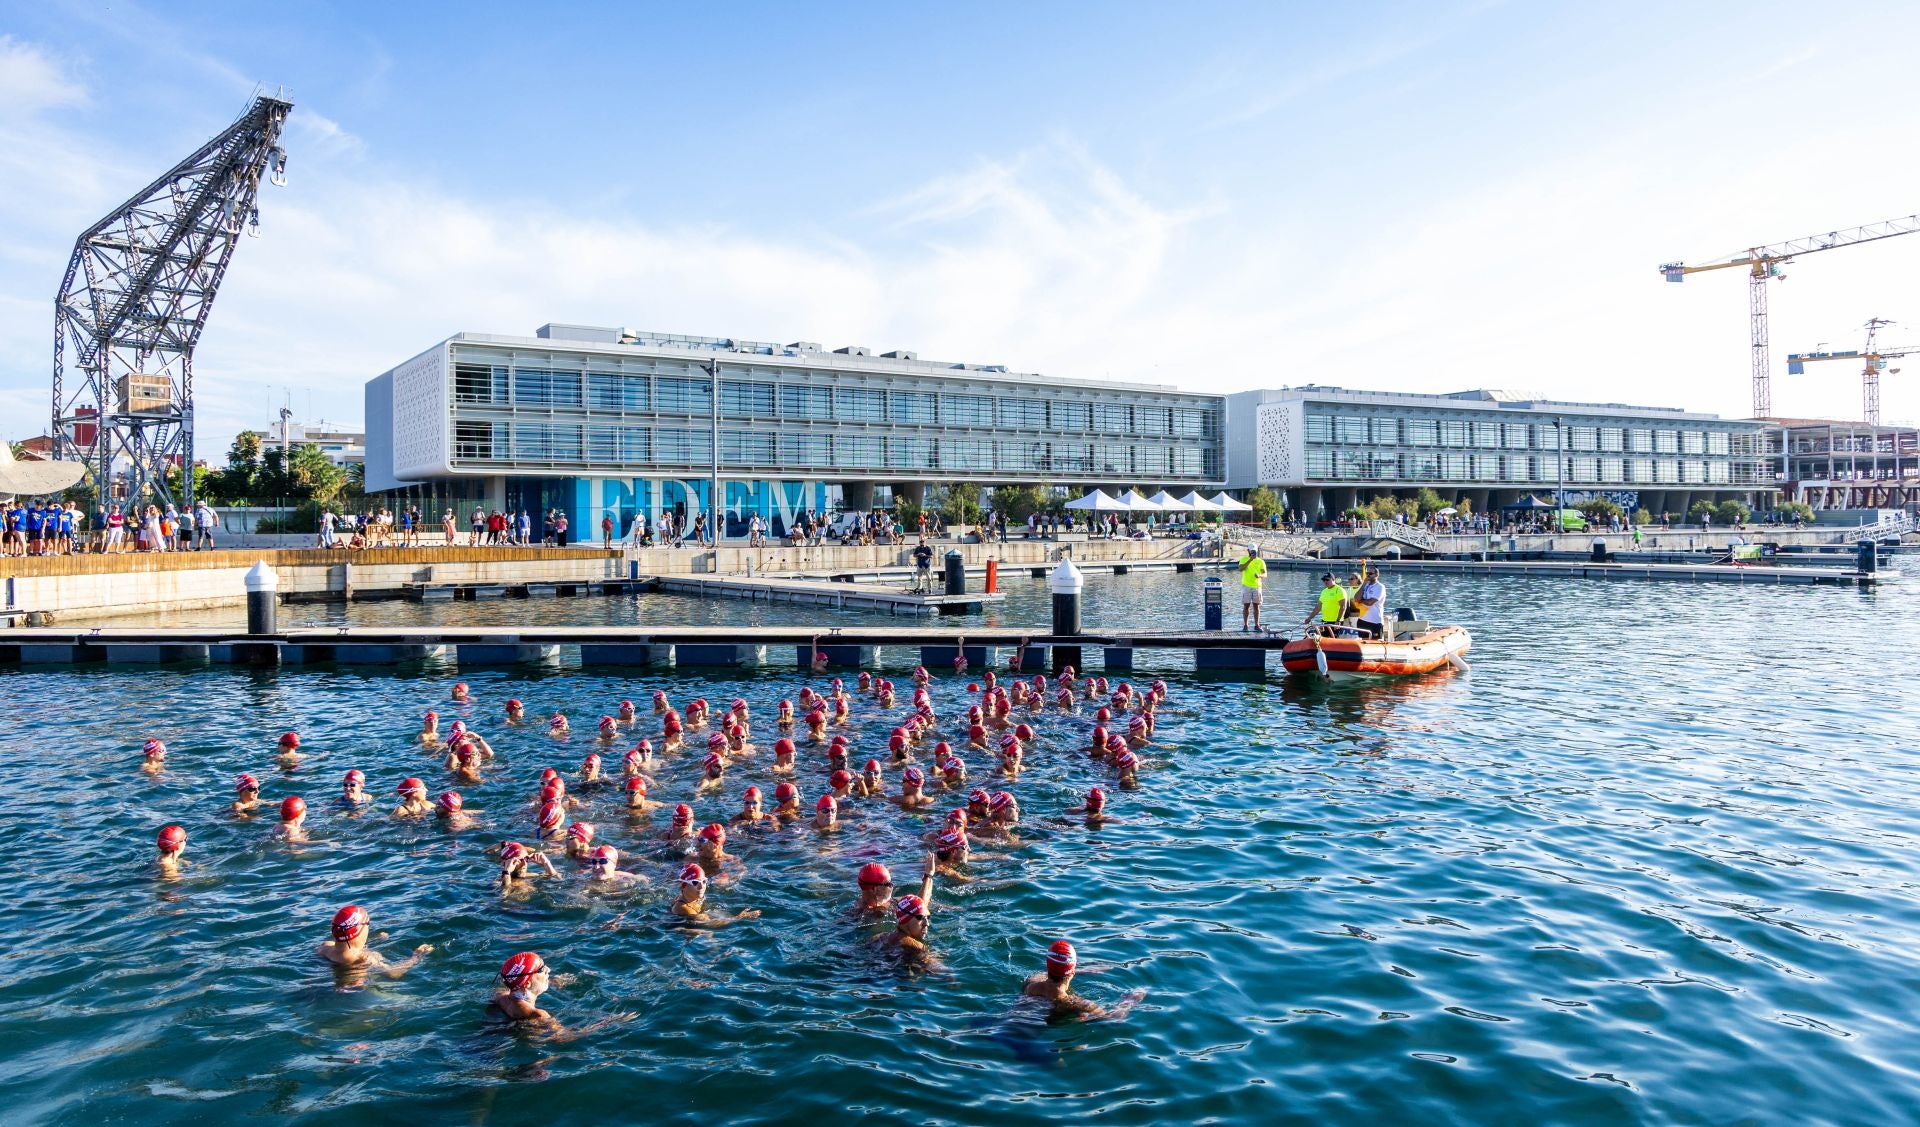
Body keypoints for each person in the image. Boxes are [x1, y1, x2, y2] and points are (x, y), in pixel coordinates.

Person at [1021, 940, 1144, 1019]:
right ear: (1072, 970)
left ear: (1048, 965)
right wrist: (1130, 1001)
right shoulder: (1072, 1002)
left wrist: (1080, 971)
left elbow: (1049, 972)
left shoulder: (1031, 983)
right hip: (1029, 1041)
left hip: (1005, 1026)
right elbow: (1113, 1020)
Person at [317, 904, 433, 977]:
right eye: (367, 924)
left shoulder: (325, 947)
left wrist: (376, 939)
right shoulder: (364, 958)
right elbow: (393, 973)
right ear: (359, 930)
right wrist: (416, 956)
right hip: (356, 991)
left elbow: (350, 946)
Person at [871, 853, 938, 962]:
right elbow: (944, 975)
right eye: (921, 918)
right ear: (905, 920)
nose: (927, 923)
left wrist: (929, 876)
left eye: (928, 917)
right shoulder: (917, 947)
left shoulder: (879, 938)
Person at [670, 863, 760, 927]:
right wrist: (739, 917)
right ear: (683, 885)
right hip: (681, 929)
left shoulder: (689, 896)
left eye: (704, 881)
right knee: (704, 934)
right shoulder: (684, 909)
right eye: (695, 883)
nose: (701, 886)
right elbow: (710, 923)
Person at [1352, 562, 1386, 640]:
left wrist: (1360, 600)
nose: (1368, 575)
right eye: (1367, 573)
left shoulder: (1380, 587)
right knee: (1364, 641)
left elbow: (1370, 602)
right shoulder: (1365, 585)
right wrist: (1364, 584)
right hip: (1363, 619)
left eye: (1370, 573)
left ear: (1377, 575)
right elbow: (1356, 598)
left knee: (1375, 643)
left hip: (1375, 621)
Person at [1238, 545, 1267, 631]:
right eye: (1252, 551)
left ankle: (1256, 625)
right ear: (1248, 551)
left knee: (1256, 606)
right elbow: (1240, 569)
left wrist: (1259, 575)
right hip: (1246, 586)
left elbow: (1265, 574)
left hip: (1257, 586)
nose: (1253, 553)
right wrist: (1250, 560)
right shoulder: (1243, 559)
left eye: (1254, 551)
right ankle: (1245, 625)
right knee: (1246, 605)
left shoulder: (1261, 561)